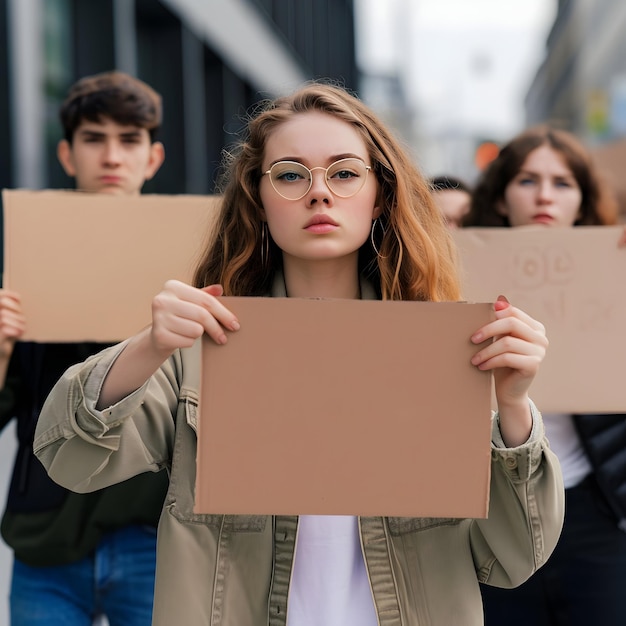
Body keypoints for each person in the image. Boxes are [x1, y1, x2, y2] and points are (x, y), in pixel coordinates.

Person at [34, 82, 564, 626]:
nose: (318, 193)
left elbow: (515, 556)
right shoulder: (203, 347)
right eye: (290, 174)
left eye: (344, 172)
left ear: (381, 192)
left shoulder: (447, 349)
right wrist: (150, 345)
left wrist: (516, 408)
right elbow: (69, 459)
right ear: (258, 199)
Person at [0, 71, 167, 625]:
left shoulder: (188, 255)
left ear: (153, 156)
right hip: (47, 532)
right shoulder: (26, 259)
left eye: (129, 139)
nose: (112, 156)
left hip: (153, 528)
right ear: (67, 155)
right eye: (94, 139)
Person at [465, 124, 626, 625]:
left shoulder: (616, 273)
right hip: (497, 511)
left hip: (593, 506)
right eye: (527, 180)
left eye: (562, 183)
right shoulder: (453, 272)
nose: (544, 196)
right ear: (500, 196)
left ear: (581, 202)